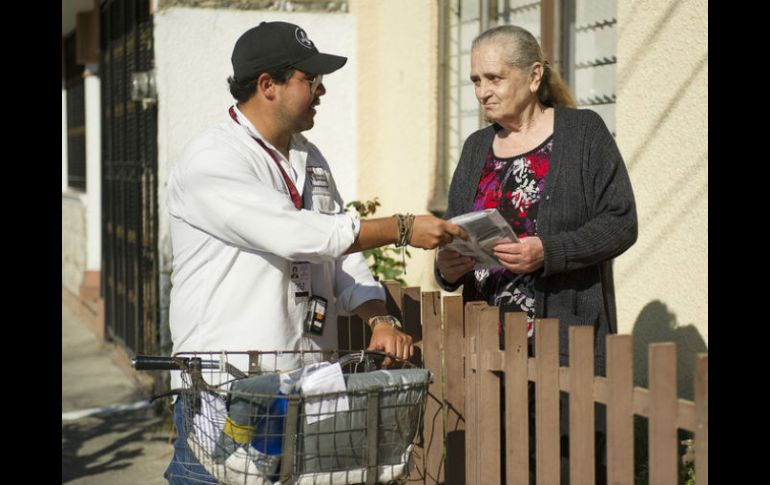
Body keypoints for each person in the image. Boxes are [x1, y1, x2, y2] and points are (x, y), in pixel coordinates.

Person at [164, 21, 466, 484]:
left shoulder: (310, 158)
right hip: (229, 393)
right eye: (310, 79)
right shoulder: (213, 158)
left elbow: (340, 252)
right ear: (268, 85)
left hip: (305, 392)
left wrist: (378, 318)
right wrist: (401, 228)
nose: (322, 90)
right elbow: (299, 235)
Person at [434, 25, 637, 484]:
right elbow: (454, 235)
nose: (483, 92)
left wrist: (548, 251)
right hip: (490, 344)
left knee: (568, 465)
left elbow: (621, 221)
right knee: (501, 466)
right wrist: (447, 268)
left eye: (494, 78)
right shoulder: (474, 150)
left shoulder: (583, 133)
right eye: (475, 81)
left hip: (565, 341)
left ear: (534, 75)